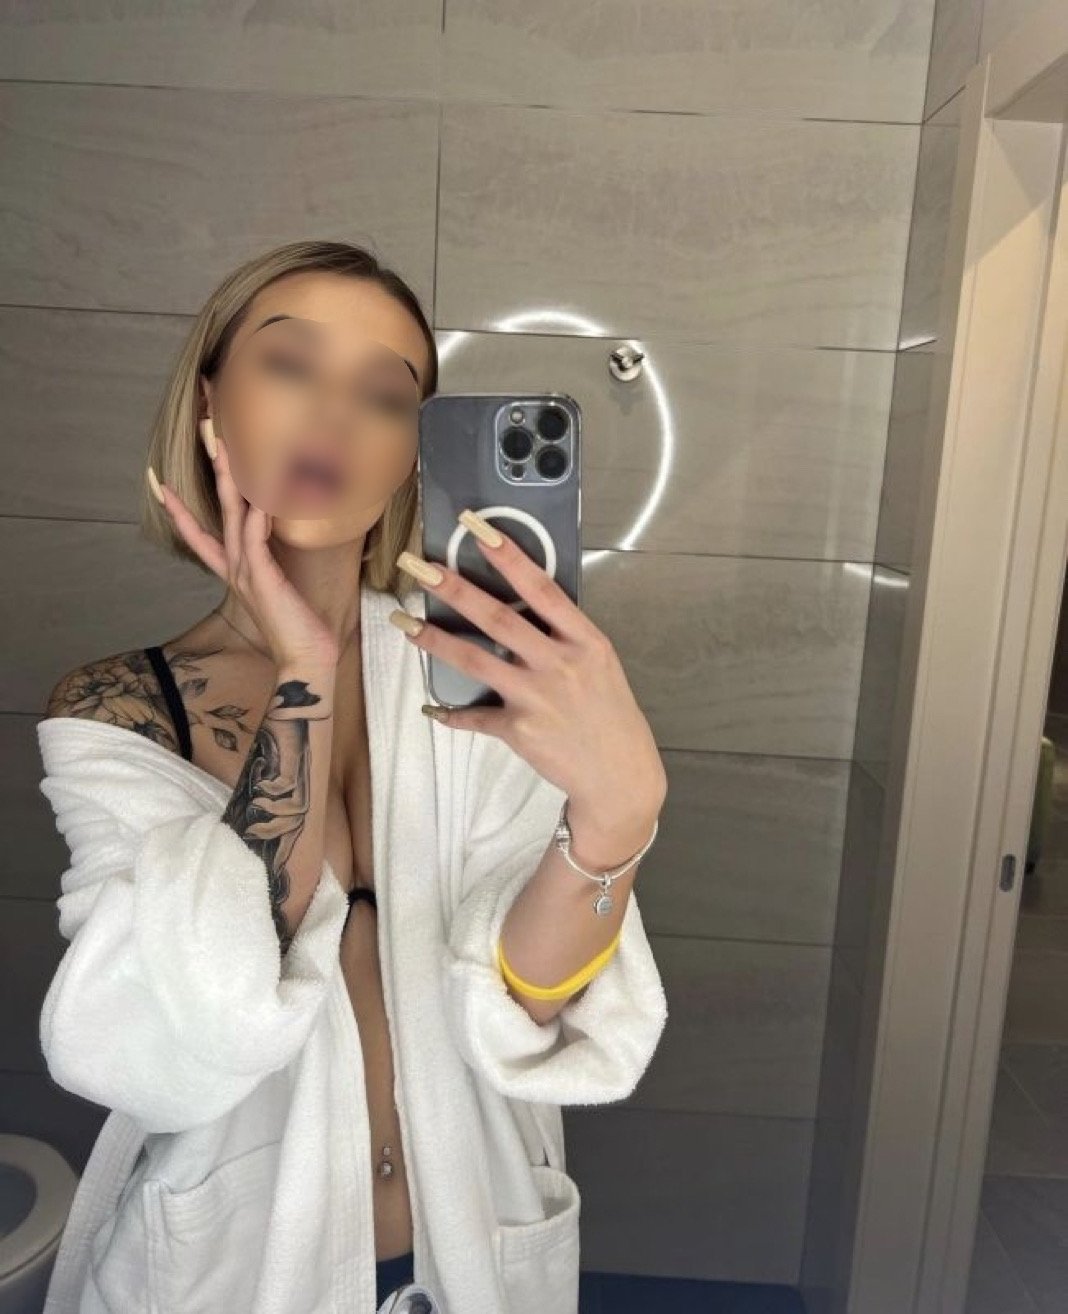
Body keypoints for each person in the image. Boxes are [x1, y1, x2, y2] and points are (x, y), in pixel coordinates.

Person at [35, 239, 670, 1313]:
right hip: (233, 1270)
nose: (334, 416)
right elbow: (189, 1028)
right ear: (210, 399)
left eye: (384, 394)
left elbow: (528, 1006)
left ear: (412, 452)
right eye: (291, 365)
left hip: (471, 1251)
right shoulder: (120, 712)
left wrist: (619, 815)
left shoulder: (480, 680)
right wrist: (304, 672)